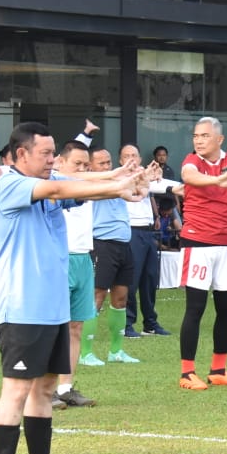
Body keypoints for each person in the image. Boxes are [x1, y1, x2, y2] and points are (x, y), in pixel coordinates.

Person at [0, 121, 147, 454]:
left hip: (52, 306)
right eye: (45, 154)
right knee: (16, 390)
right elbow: (60, 186)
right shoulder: (9, 185)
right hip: (22, 307)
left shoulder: (47, 181)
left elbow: (72, 182)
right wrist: (115, 186)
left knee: (44, 388)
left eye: (53, 153)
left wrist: (120, 175)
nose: (52, 160)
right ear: (21, 154)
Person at [176, 117, 227, 390]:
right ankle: (187, 373)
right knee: (195, 308)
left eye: (204, 136)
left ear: (219, 139)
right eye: (196, 135)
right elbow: (188, 176)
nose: (198, 140)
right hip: (197, 241)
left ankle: (218, 369)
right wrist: (220, 179)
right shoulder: (193, 161)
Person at [51, 140, 102, 409]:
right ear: (60, 162)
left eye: (86, 165)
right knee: (51, 326)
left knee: (75, 326)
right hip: (60, 257)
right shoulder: (53, 183)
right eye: (77, 164)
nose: (82, 169)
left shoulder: (87, 185)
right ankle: (44, 388)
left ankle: (66, 387)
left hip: (83, 257)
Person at [88, 145, 144, 364]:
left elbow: (140, 192)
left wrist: (144, 177)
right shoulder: (92, 183)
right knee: (96, 297)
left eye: (108, 162)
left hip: (123, 243)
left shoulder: (119, 180)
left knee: (121, 298)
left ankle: (116, 351)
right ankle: (85, 352)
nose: (107, 166)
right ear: (90, 167)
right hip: (102, 244)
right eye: (101, 163)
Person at [120, 143, 176, 337]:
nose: (131, 159)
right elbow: (140, 185)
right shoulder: (119, 177)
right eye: (126, 156)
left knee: (150, 279)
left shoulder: (146, 176)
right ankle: (127, 324)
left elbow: (160, 186)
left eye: (134, 155)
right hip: (131, 232)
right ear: (120, 161)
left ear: (140, 158)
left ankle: (150, 323)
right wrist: (149, 176)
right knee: (132, 281)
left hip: (148, 232)